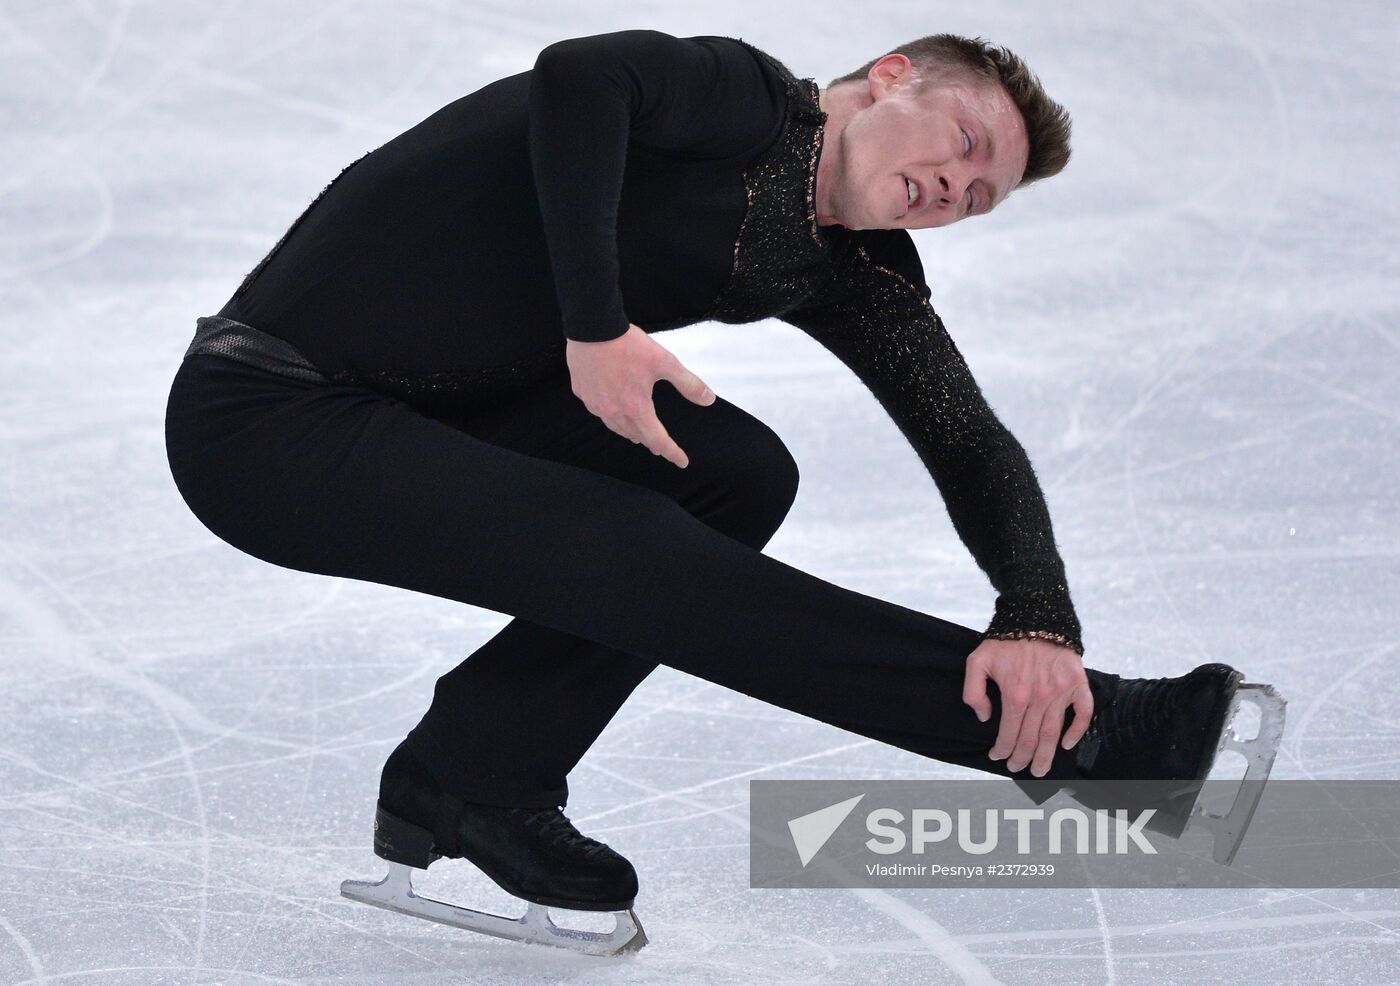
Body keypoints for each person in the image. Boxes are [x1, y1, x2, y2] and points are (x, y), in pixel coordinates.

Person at [164, 29, 1283, 955]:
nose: (959, 183)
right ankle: (1097, 742)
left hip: (428, 406)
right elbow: (578, 76)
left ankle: (471, 776)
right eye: (963, 139)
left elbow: (968, 439)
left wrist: (1036, 613)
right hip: (267, 413)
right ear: (886, 77)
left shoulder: (851, 267)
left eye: (979, 194)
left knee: (735, 476)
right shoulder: (743, 102)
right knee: (623, 539)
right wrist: (595, 325)